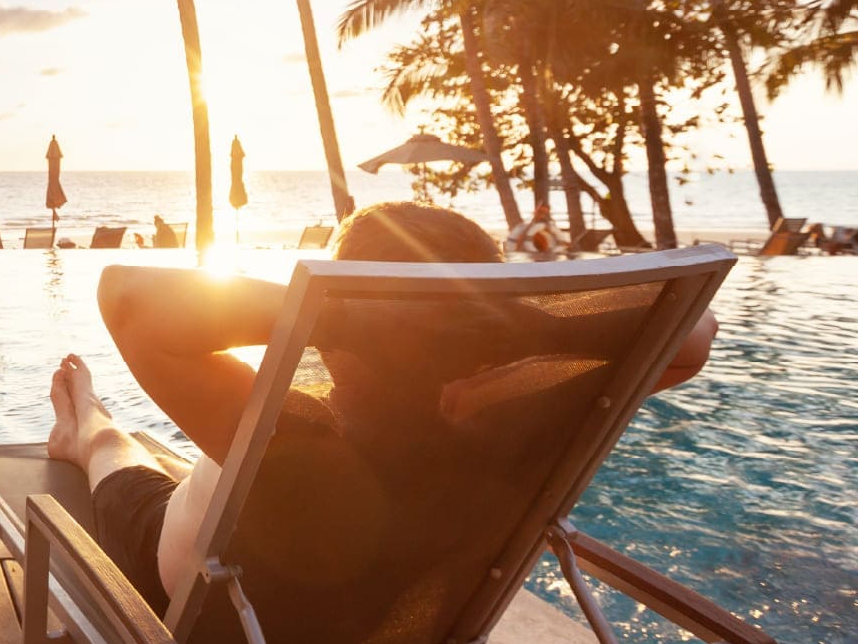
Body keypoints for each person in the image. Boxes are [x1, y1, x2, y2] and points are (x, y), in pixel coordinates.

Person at [44, 201, 720, 613]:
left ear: (333, 335)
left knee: (113, 452)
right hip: (375, 595)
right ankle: (102, 428)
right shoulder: (512, 422)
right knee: (180, 460)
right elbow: (695, 333)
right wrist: (513, 324)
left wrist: (347, 317)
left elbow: (125, 295)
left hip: (180, 571)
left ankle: (86, 424)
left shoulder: (294, 432)